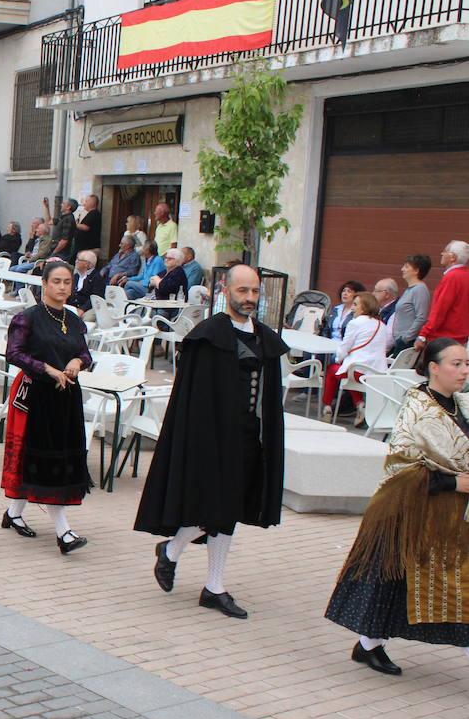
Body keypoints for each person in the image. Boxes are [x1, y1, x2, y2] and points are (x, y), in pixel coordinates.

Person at [137, 264, 289, 620]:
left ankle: (207, 581)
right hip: (210, 440)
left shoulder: (265, 338)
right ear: (226, 290)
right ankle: (177, 555)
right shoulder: (208, 336)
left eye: (254, 292)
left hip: (250, 440)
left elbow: (268, 397)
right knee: (212, 506)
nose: (250, 298)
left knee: (230, 510)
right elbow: (192, 400)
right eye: (243, 292)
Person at [324, 338, 469, 676]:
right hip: (415, 510)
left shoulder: (458, 404)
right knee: (406, 581)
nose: (464, 371)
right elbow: (399, 467)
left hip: (450, 516)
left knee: (411, 584)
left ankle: (368, 643)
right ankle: (369, 643)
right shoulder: (418, 409)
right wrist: (453, 483)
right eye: (456, 364)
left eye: (466, 364)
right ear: (433, 367)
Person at [0, 259, 93, 552]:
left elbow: (85, 354)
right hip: (35, 396)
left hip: (66, 397)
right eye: (57, 281)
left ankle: (13, 514)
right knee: (43, 459)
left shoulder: (75, 320)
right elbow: (13, 353)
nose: (63, 287)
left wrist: (78, 362)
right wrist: (47, 368)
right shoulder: (28, 318)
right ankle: (63, 533)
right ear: (44, 284)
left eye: (67, 282)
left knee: (54, 459)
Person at [321, 291, 390, 420]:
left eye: (355, 304)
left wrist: (338, 359)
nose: (352, 308)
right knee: (349, 371)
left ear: (364, 307)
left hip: (358, 372)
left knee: (332, 370)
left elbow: (344, 348)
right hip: (376, 374)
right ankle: (360, 405)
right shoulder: (382, 325)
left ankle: (327, 408)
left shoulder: (355, 323)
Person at [416, 240, 469, 349]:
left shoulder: (451, 278)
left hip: (444, 339)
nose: (442, 253)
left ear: (452, 257)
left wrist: (423, 335)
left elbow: (440, 309)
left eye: (445, 251)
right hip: (461, 338)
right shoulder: (465, 276)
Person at [391, 254, 432, 355]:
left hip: (407, 343)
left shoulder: (419, 289)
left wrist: (406, 338)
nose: (402, 269)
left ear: (416, 270)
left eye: (406, 267)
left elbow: (421, 317)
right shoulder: (410, 289)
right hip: (400, 341)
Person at [75, 194, 102, 260]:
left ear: (92, 203)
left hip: (89, 250)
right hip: (85, 249)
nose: (84, 203)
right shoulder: (91, 213)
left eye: (86, 201)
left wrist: (74, 224)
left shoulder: (94, 214)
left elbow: (85, 227)